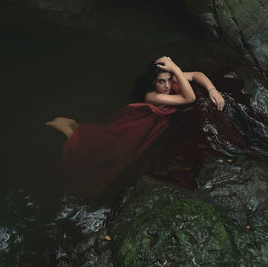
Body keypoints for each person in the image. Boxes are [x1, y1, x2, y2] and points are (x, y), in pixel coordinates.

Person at [46, 56, 225, 196]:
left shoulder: (171, 80)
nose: (167, 85)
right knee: (108, 148)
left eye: (169, 80)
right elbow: (189, 98)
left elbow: (195, 75)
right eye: (161, 81)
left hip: (149, 126)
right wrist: (176, 70)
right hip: (139, 124)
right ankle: (69, 129)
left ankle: (74, 126)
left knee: (114, 148)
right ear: (153, 83)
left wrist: (212, 90)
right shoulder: (153, 96)